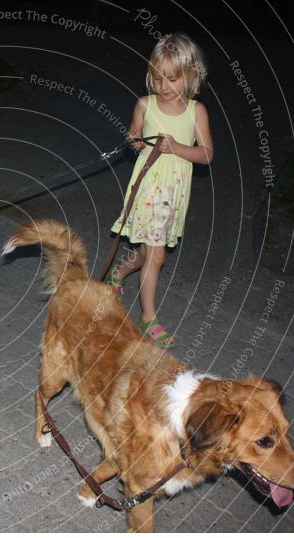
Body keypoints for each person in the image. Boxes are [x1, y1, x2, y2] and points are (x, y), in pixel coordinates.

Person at [106, 32, 214, 349]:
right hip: (147, 189)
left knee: (151, 254)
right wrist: (135, 140)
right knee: (156, 257)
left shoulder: (197, 112)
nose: (162, 85)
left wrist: (178, 147)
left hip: (173, 195)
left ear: (190, 76)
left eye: (171, 79)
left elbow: (207, 154)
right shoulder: (145, 104)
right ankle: (148, 318)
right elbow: (134, 136)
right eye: (157, 76)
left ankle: (118, 273)